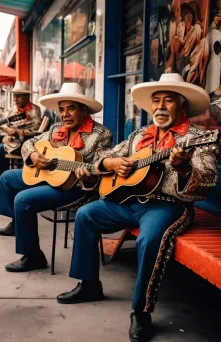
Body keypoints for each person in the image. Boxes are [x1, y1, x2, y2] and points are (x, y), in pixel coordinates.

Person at [57, 74, 218, 342]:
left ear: (182, 105)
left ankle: (141, 311)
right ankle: (88, 285)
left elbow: (208, 180)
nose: (161, 107)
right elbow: (106, 156)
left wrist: (183, 167)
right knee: (86, 215)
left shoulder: (197, 138)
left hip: (167, 206)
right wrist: (108, 165)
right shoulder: (140, 135)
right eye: (156, 101)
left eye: (168, 101)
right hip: (128, 201)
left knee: (149, 238)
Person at [0, 83, 113, 272]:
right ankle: (17, 224)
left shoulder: (101, 134)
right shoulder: (56, 128)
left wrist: (88, 177)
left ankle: (33, 257)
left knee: (23, 200)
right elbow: (30, 143)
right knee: (7, 178)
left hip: (75, 188)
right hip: (50, 177)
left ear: (83, 110)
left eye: (71, 109)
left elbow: (103, 168)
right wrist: (33, 155)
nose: (65, 114)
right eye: (61, 109)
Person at [0, 81, 42, 197]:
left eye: (18, 96)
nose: (15, 99)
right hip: (13, 142)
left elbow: (37, 129)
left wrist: (21, 132)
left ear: (26, 96)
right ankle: (2, 186)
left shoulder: (36, 110)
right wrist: (8, 131)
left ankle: (25, 185)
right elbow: (2, 123)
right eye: (15, 96)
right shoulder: (11, 109)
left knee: (28, 153)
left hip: (29, 141)